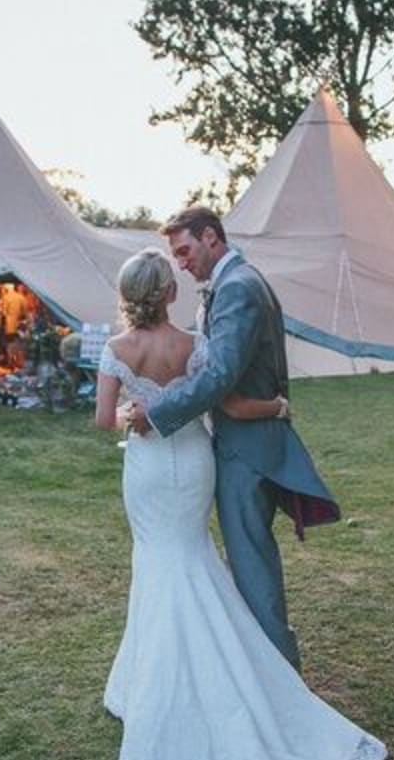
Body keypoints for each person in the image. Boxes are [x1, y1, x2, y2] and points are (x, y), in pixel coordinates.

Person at [95, 247, 383, 760]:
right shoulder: (194, 346)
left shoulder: (118, 350)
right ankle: (167, 671)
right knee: (192, 555)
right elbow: (223, 401)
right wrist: (275, 404)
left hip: (149, 469)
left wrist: (134, 411)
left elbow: (105, 421)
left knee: (156, 561)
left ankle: (157, 684)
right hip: (196, 463)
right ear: (168, 293)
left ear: (128, 294)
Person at [128, 206, 340, 671]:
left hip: (247, 448)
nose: (181, 263)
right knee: (247, 561)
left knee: (251, 563)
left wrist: (158, 411)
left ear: (211, 238)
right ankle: (261, 670)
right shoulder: (237, 283)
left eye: (185, 251)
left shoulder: (239, 288)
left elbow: (221, 373)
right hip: (245, 439)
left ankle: (281, 679)